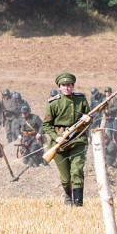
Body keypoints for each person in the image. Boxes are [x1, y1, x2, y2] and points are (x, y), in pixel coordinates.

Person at [42, 72, 91, 206]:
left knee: (77, 171)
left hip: (78, 140)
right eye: (63, 85)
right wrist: (56, 138)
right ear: (59, 87)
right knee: (65, 178)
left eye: (69, 85)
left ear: (73, 86)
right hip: (59, 144)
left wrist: (88, 119)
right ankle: (68, 195)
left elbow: (88, 118)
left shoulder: (81, 99)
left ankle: (78, 203)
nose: (66, 88)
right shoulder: (53, 103)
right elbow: (46, 125)